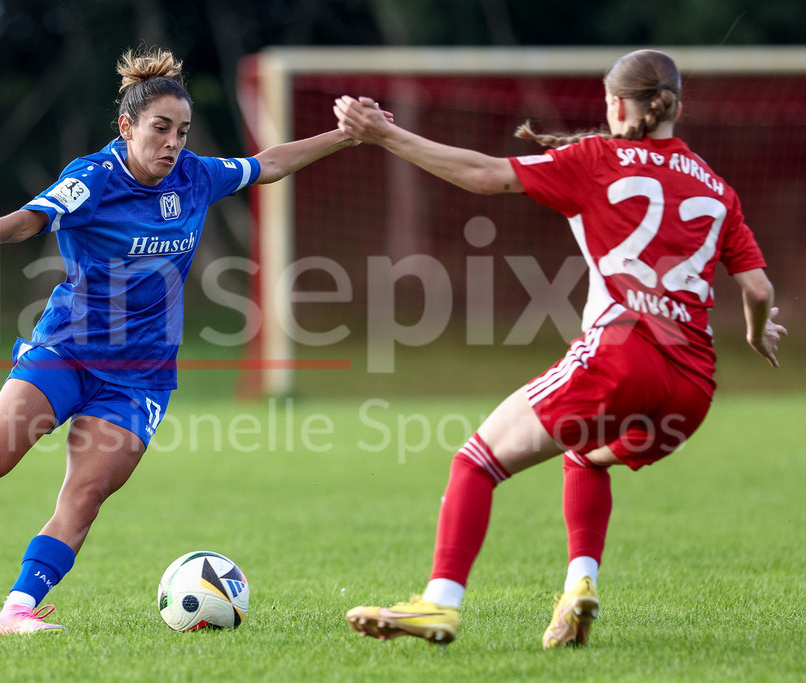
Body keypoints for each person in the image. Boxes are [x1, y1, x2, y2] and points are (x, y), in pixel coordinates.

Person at [0, 46, 388, 637]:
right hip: (67, 352)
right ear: (126, 127)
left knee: (87, 491)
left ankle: (15, 610)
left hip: (141, 375)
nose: (173, 142)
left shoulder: (195, 177)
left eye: (182, 131)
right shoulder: (93, 179)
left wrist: (345, 136)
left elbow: (268, 163)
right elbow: (28, 220)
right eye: (160, 128)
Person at [333, 49, 786, 649]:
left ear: (619, 105)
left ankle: (438, 604)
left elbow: (483, 175)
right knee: (585, 455)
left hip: (622, 355)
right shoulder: (718, 188)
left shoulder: (597, 158)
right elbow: (757, 287)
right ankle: (579, 588)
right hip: (693, 389)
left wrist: (385, 134)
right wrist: (756, 332)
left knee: (475, 460)